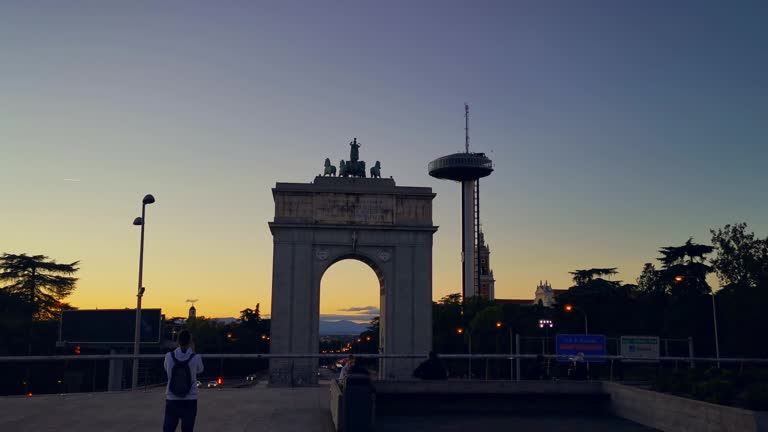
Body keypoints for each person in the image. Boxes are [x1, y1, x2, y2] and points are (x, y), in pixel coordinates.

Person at [163, 330, 204, 432]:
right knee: (187, 429)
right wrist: (193, 351)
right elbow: (200, 370)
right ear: (190, 342)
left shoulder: (169, 356)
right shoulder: (196, 358)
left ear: (177, 342)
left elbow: (166, 369)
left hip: (172, 398)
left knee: (168, 429)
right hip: (190, 399)